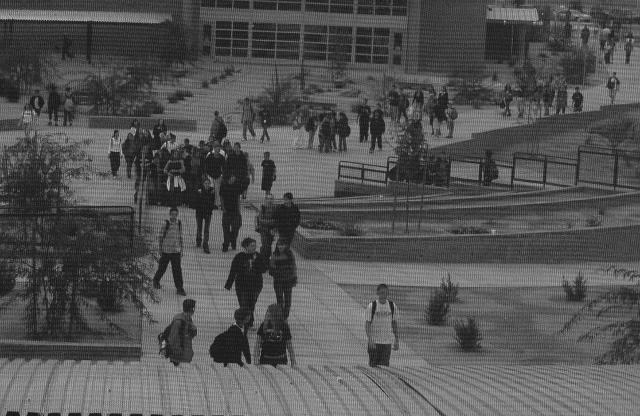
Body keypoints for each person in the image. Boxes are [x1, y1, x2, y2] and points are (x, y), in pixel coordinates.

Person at [225, 237, 268, 332]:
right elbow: (233, 270)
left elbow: (264, 269)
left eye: (255, 245)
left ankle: (249, 323)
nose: (254, 247)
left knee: (252, 305)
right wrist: (229, 284)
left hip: (255, 286)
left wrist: (256, 262)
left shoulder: (258, 256)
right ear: (246, 246)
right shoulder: (239, 257)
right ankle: (243, 323)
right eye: (252, 245)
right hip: (242, 286)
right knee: (244, 305)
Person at [152, 207, 186, 296]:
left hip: (176, 250)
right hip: (166, 250)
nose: (174, 216)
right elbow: (160, 237)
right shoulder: (166, 224)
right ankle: (156, 280)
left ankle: (179, 288)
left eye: (176, 214)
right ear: (170, 214)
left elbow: (180, 236)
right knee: (162, 268)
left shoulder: (179, 224)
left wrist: (182, 248)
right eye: (172, 214)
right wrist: (160, 248)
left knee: (177, 270)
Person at [365, 284, 399, 367]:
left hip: (387, 343)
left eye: (385, 293)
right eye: (381, 293)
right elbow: (367, 324)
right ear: (378, 293)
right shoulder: (372, 306)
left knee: (384, 369)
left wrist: (396, 340)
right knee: (373, 367)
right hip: (374, 343)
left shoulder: (392, 306)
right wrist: (370, 339)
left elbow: (394, 323)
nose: (383, 295)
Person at [269, 240, 297, 320]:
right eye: (279, 245)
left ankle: (285, 316)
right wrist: (277, 272)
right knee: (280, 299)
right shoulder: (274, 255)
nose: (280, 247)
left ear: (286, 246)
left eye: (282, 245)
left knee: (288, 300)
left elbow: (294, 266)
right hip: (278, 281)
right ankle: (280, 316)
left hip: (288, 280)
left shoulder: (290, 255)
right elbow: (271, 269)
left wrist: (294, 278)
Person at [164, 299, 197, 366]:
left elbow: (190, 335)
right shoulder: (179, 321)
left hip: (183, 354)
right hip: (178, 355)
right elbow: (173, 337)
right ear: (192, 309)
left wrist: (193, 330)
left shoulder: (187, 319)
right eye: (193, 308)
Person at [219, 174, 244, 252]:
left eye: (235, 179)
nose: (234, 180)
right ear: (229, 178)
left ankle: (233, 241)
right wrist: (223, 208)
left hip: (235, 211)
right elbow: (221, 198)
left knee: (236, 228)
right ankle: (226, 244)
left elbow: (238, 199)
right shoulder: (223, 186)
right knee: (225, 229)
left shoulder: (236, 187)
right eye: (232, 178)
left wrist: (239, 211)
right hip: (226, 212)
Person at [194, 178, 216, 253]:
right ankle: (198, 241)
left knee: (206, 230)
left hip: (208, 213)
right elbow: (196, 201)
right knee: (199, 228)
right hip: (199, 212)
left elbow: (212, 202)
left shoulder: (212, 191)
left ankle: (205, 244)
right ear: (203, 184)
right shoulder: (199, 190)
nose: (207, 185)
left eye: (208, 183)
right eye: (205, 183)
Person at [203, 141, 225, 208]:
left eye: (218, 147)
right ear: (214, 148)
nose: (217, 149)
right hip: (210, 176)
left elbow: (224, 168)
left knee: (217, 191)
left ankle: (216, 204)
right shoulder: (210, 156)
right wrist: (206, 175)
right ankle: (209, 203)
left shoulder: (222, 157)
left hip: (218, 177)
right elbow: (206, 166)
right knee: (210, 190)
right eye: (216, 147)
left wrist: (222, 176)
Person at [256, 194, 277, 260]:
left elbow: (277, 220)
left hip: (272, 230)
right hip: (263, 230)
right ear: (265, 200)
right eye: (268, 199)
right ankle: (263, 259)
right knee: (265, 245)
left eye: (271, 199)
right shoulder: (262, 208)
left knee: (269, 245)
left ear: (273, 200)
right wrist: (271, 222)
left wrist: (273, 226)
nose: (270, 200)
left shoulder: (275, 208)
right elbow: (260, 219)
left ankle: (266, 259)